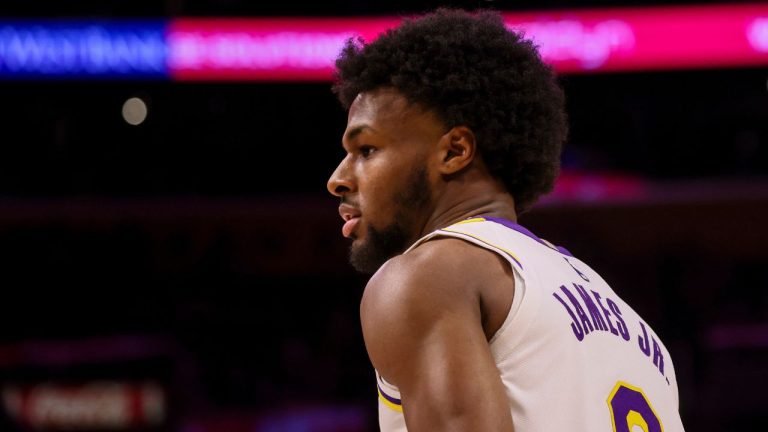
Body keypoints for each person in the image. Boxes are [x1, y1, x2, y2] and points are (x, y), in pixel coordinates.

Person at [326, 8, 684, 432]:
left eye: (366, 150)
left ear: (455, 151)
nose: (338, 179)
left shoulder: (428, 274)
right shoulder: (634, 326)